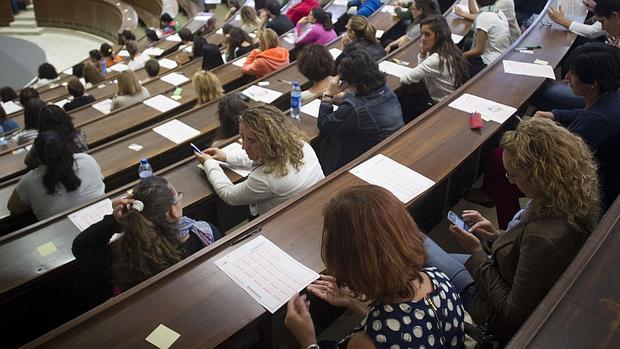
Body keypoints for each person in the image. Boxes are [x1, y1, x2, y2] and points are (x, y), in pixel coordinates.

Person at [425, 118, 601, 344]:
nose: (510, 181)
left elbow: (512, 312)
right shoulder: (566, 196)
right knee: (441, 260)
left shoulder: (545, 237)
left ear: (539, 174)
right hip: (496, 267)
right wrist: (497, 235)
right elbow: (525, 253)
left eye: (513, 175)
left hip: (490, 308)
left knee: (418, 244)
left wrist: (477, 252)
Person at [285, 185, 466, 348]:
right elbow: (407, 317)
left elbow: (391, 328)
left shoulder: (367, 343)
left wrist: (308, 340)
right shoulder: (438, 278)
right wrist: (353, 301)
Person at [72, 176, 220, 293]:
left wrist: (114, 221)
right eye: (178, 198)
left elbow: (81, 247)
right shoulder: (204, 234)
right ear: (173, 212)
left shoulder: (122, 255)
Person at [194, 105, 324, 216]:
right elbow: (265, 157)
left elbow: (229, 194)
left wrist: (209, 163)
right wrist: (227, 157)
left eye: (251, 140)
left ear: (271, 141)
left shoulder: (264, 179)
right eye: (242, 137)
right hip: (313, 205)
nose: (244, 146)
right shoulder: (300, 144)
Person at [534, 43, 620, 209]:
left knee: (499, 159)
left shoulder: (590, 124)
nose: (566, 77)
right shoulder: (611, 97)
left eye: (573, 74)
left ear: (592, 84)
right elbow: (584, 112)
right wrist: (555, 115)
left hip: (594, 195)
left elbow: (560, 167)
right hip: (609, 178)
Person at [318, 51, 404, 174]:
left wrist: (328, 96)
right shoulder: (385, 89)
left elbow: (324, 125)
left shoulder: (353, 109)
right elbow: (363, 100)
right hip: (387, 150)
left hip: (360, 162)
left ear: (350, 81)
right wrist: (345, 97)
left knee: (328, 140)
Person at [8, 131, 105, 220]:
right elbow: (101, 180)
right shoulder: (87, 159)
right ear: (67, 147)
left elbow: (13, 207)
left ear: (39, 158)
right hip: (100, 217)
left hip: (58, 231)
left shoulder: (30, 180)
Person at [400, 16, 470, 110]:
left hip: (441, 106)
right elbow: (423, 74)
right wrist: (423, 53)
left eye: (427, 34)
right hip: (453, 100)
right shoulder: (450, 49)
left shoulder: (436, 59)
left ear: (439, 36)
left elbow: (405, 79)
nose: (423, 38)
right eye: (422, 34)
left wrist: (421, 55)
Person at [463, 0, 511, 76]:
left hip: (490, 62)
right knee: (466, 44)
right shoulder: (497, 11)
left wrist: (461, 56)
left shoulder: (483, 17)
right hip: (503, 54)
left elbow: (479, 50)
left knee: (459, 67)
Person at [455, 0, 521, 43]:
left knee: (467, 42)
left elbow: (482, 17)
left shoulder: (504, 2)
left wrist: (462, 13)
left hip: (509, 40)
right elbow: (477, 13)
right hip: (493, 35)